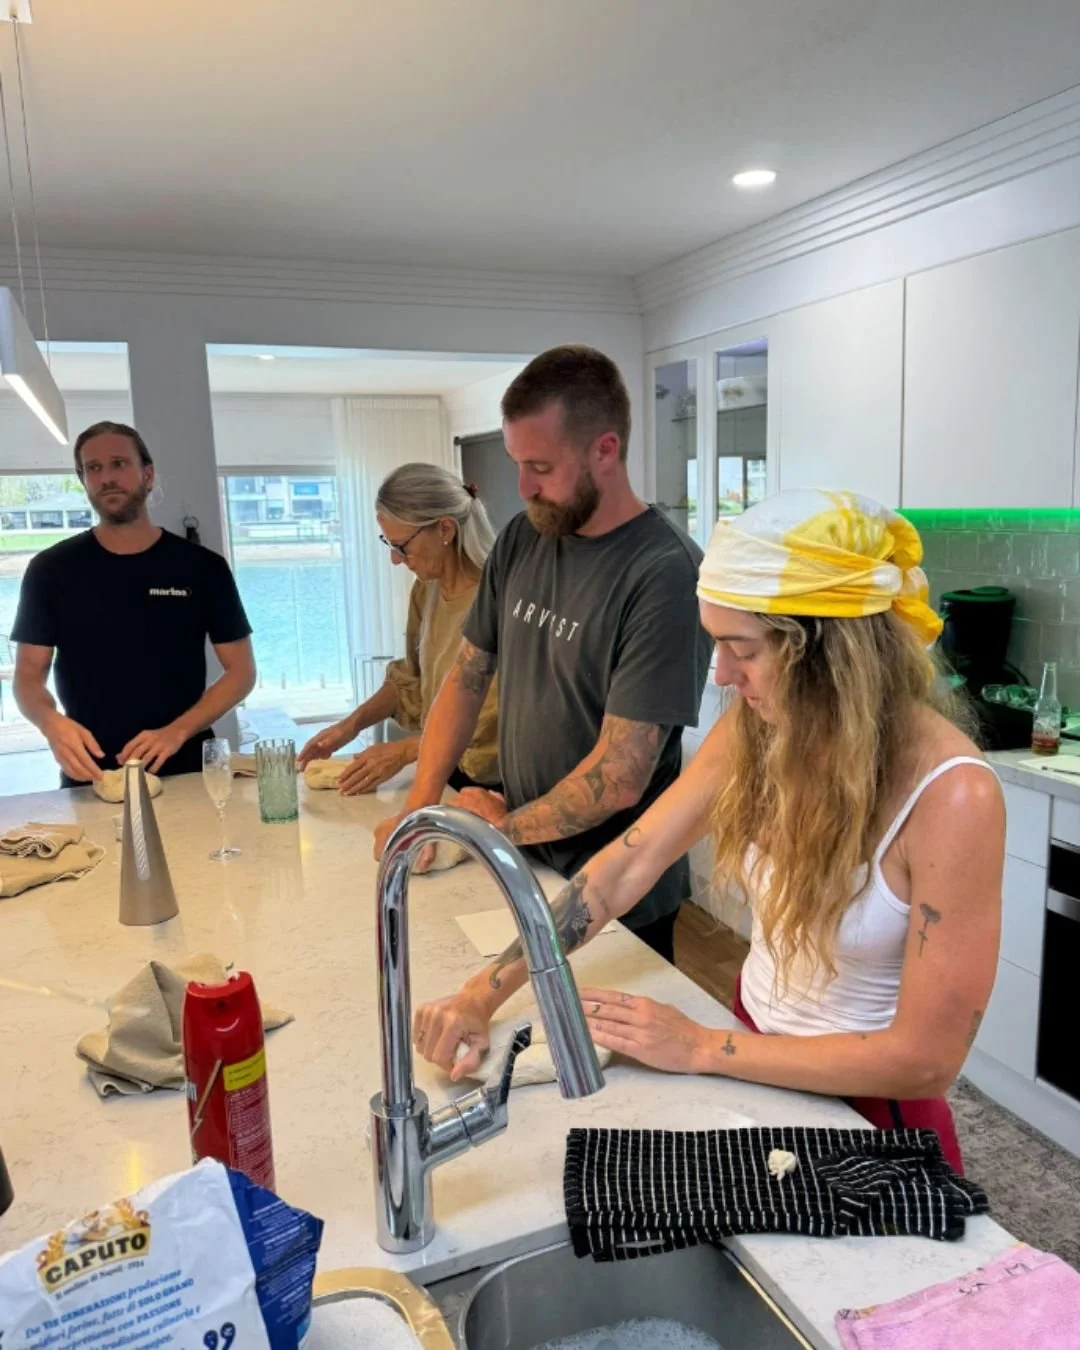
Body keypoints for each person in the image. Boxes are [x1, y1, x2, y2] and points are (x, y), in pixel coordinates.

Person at [410, 490, 1004, 1174]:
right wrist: (479, 996)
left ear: (828, 653)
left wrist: (695, 1046)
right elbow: (621, 870)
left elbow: (924, 1061)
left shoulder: (952, 793)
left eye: (741, 648)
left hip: (870, 1114)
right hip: (752, 1054)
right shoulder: (762, 727)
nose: (719, 673)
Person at [375, 345, 713, 961]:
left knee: (595, 1051)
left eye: (540, 466)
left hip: (616, 888)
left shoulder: (665, 572)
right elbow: (467, 676)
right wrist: (421, 804)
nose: (523, 486)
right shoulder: (525, 536)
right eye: (516, 464)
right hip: (526, 859)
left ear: (604, 450)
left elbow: (619, 776)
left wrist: (492, 829)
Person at [12, 421, 255, 785]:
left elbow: (241, 672)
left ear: (148, 474)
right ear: (84, 481)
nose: (107, 477)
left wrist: (177, 730)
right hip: (91, 771)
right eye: (93, 468)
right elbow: (28, 676)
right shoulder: (50, 570)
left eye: (119, 464)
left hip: (184, 765)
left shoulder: (202, 568)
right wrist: (51, 724)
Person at [298, 464, 500, 795]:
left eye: (401, 546)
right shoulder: (428, 590)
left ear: (445, 529)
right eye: (388, 544)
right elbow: (410, 679)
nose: (395, 559)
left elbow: (488, 728)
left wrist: (405, 751)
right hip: (442, 773)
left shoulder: (498, 599)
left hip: (490, 788)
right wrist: (350, 726)